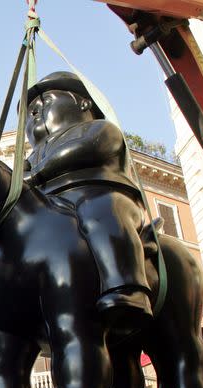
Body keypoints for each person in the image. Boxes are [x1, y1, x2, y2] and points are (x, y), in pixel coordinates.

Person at [25, 71, 152, 328]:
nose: (35, 113)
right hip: (52, 211)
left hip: (99, 195)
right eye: (31, 111)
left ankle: (126, 286)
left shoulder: (99, 129)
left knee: (100, 214)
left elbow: (84, 148)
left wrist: (34, 176)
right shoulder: (30, 156)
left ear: (83, 103)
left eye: (45, 103)